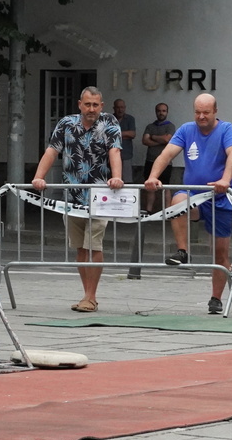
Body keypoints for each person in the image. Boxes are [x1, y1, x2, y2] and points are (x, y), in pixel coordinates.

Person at [145, 93, 232, 315]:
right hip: (194, 194)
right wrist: (153, 176)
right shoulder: (186, 129)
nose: (201, 117)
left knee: (220, 253)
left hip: (220, 197)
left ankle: (216, 298)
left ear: (215, 111)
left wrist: (225, 180)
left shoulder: (227, 130)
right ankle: (183, 251)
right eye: (197, 112)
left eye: (206, 112)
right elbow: (166, 154)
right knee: (177, 202)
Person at [31, 86, 123, 313]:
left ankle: (91, 296)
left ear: (101, 106)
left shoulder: (109, 122)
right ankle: (86, 294)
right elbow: (52, 151)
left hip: (99, 195)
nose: (91, 109)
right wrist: (39, 177)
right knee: (80, 248)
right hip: (71, 197)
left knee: (94, 245)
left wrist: (117, 177)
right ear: (80, 104)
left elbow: (115, 151)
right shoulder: (66, 124)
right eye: (87, 104)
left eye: (95, 105)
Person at [140, 103, 175, 214]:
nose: (161, 113)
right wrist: (161, 141)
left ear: (167, 112)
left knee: (166, 187)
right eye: (159, 111)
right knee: (150, 187)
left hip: (166, 163)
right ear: (156, 112)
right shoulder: (150, 126)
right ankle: (149, 212)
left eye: (163, 111)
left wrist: (153, 137)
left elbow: (167, 139)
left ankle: (168, 212)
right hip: (150, 161)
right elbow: (145, 140)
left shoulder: (170, 126)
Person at [111, 99, 137, 182]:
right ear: (114, 108)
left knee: (127, 180)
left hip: (126, 154)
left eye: (122, 107)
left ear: (125, 108)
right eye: (118, 107)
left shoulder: (130, 119)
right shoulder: (110, 119)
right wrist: (125, 134)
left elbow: (132, 134)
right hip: (111, 154)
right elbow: (107, 135)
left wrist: (116, 134)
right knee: (113, 180)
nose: (120, 110)